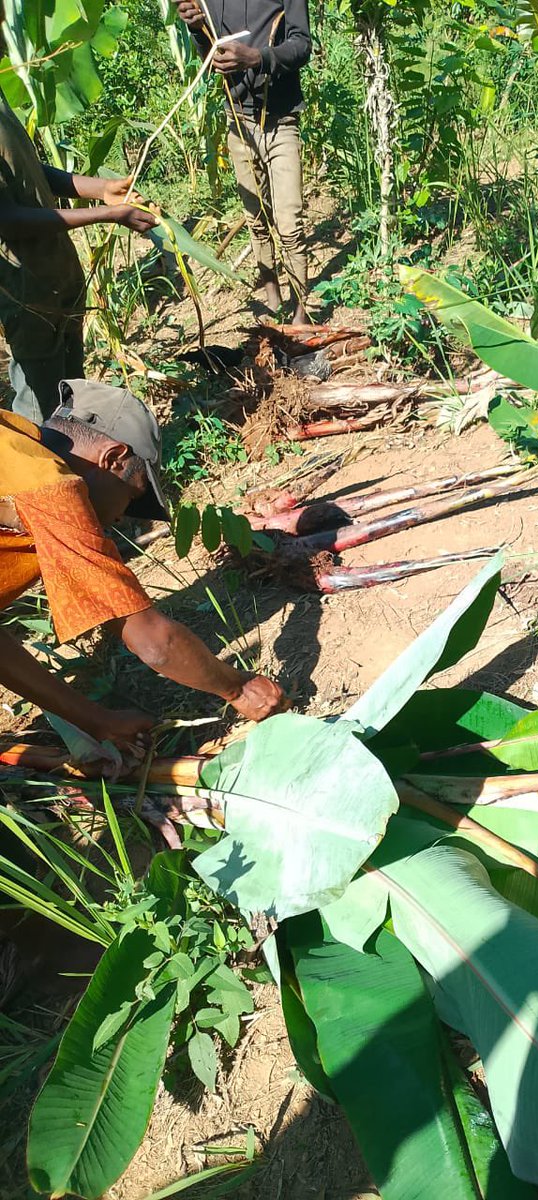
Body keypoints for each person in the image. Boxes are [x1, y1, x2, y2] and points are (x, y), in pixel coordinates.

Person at [0, 379, 288, 765]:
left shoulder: (13, 446)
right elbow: (155, 644)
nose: (120, 517)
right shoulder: (50, 489)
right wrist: (240, 688)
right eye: (132, 494)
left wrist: (96, 720)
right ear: (113, 458)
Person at [0, 95, 158, 424]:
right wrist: (108, 214)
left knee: (70, 392)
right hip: (26, 290)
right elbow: (7, 219)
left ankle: (79, 466)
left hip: (58, 271)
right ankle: (46, 472)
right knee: (41, 411)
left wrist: (100, 188)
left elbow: (27, 168)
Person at [175, 0, 313, 323]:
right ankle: (273, 300)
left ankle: (301, 316)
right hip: (237, 121)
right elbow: (210, 60)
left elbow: (302, 45)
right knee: (257, 220)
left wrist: (257, 58)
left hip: (281, 120)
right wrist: (197, 28)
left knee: (290, 224)